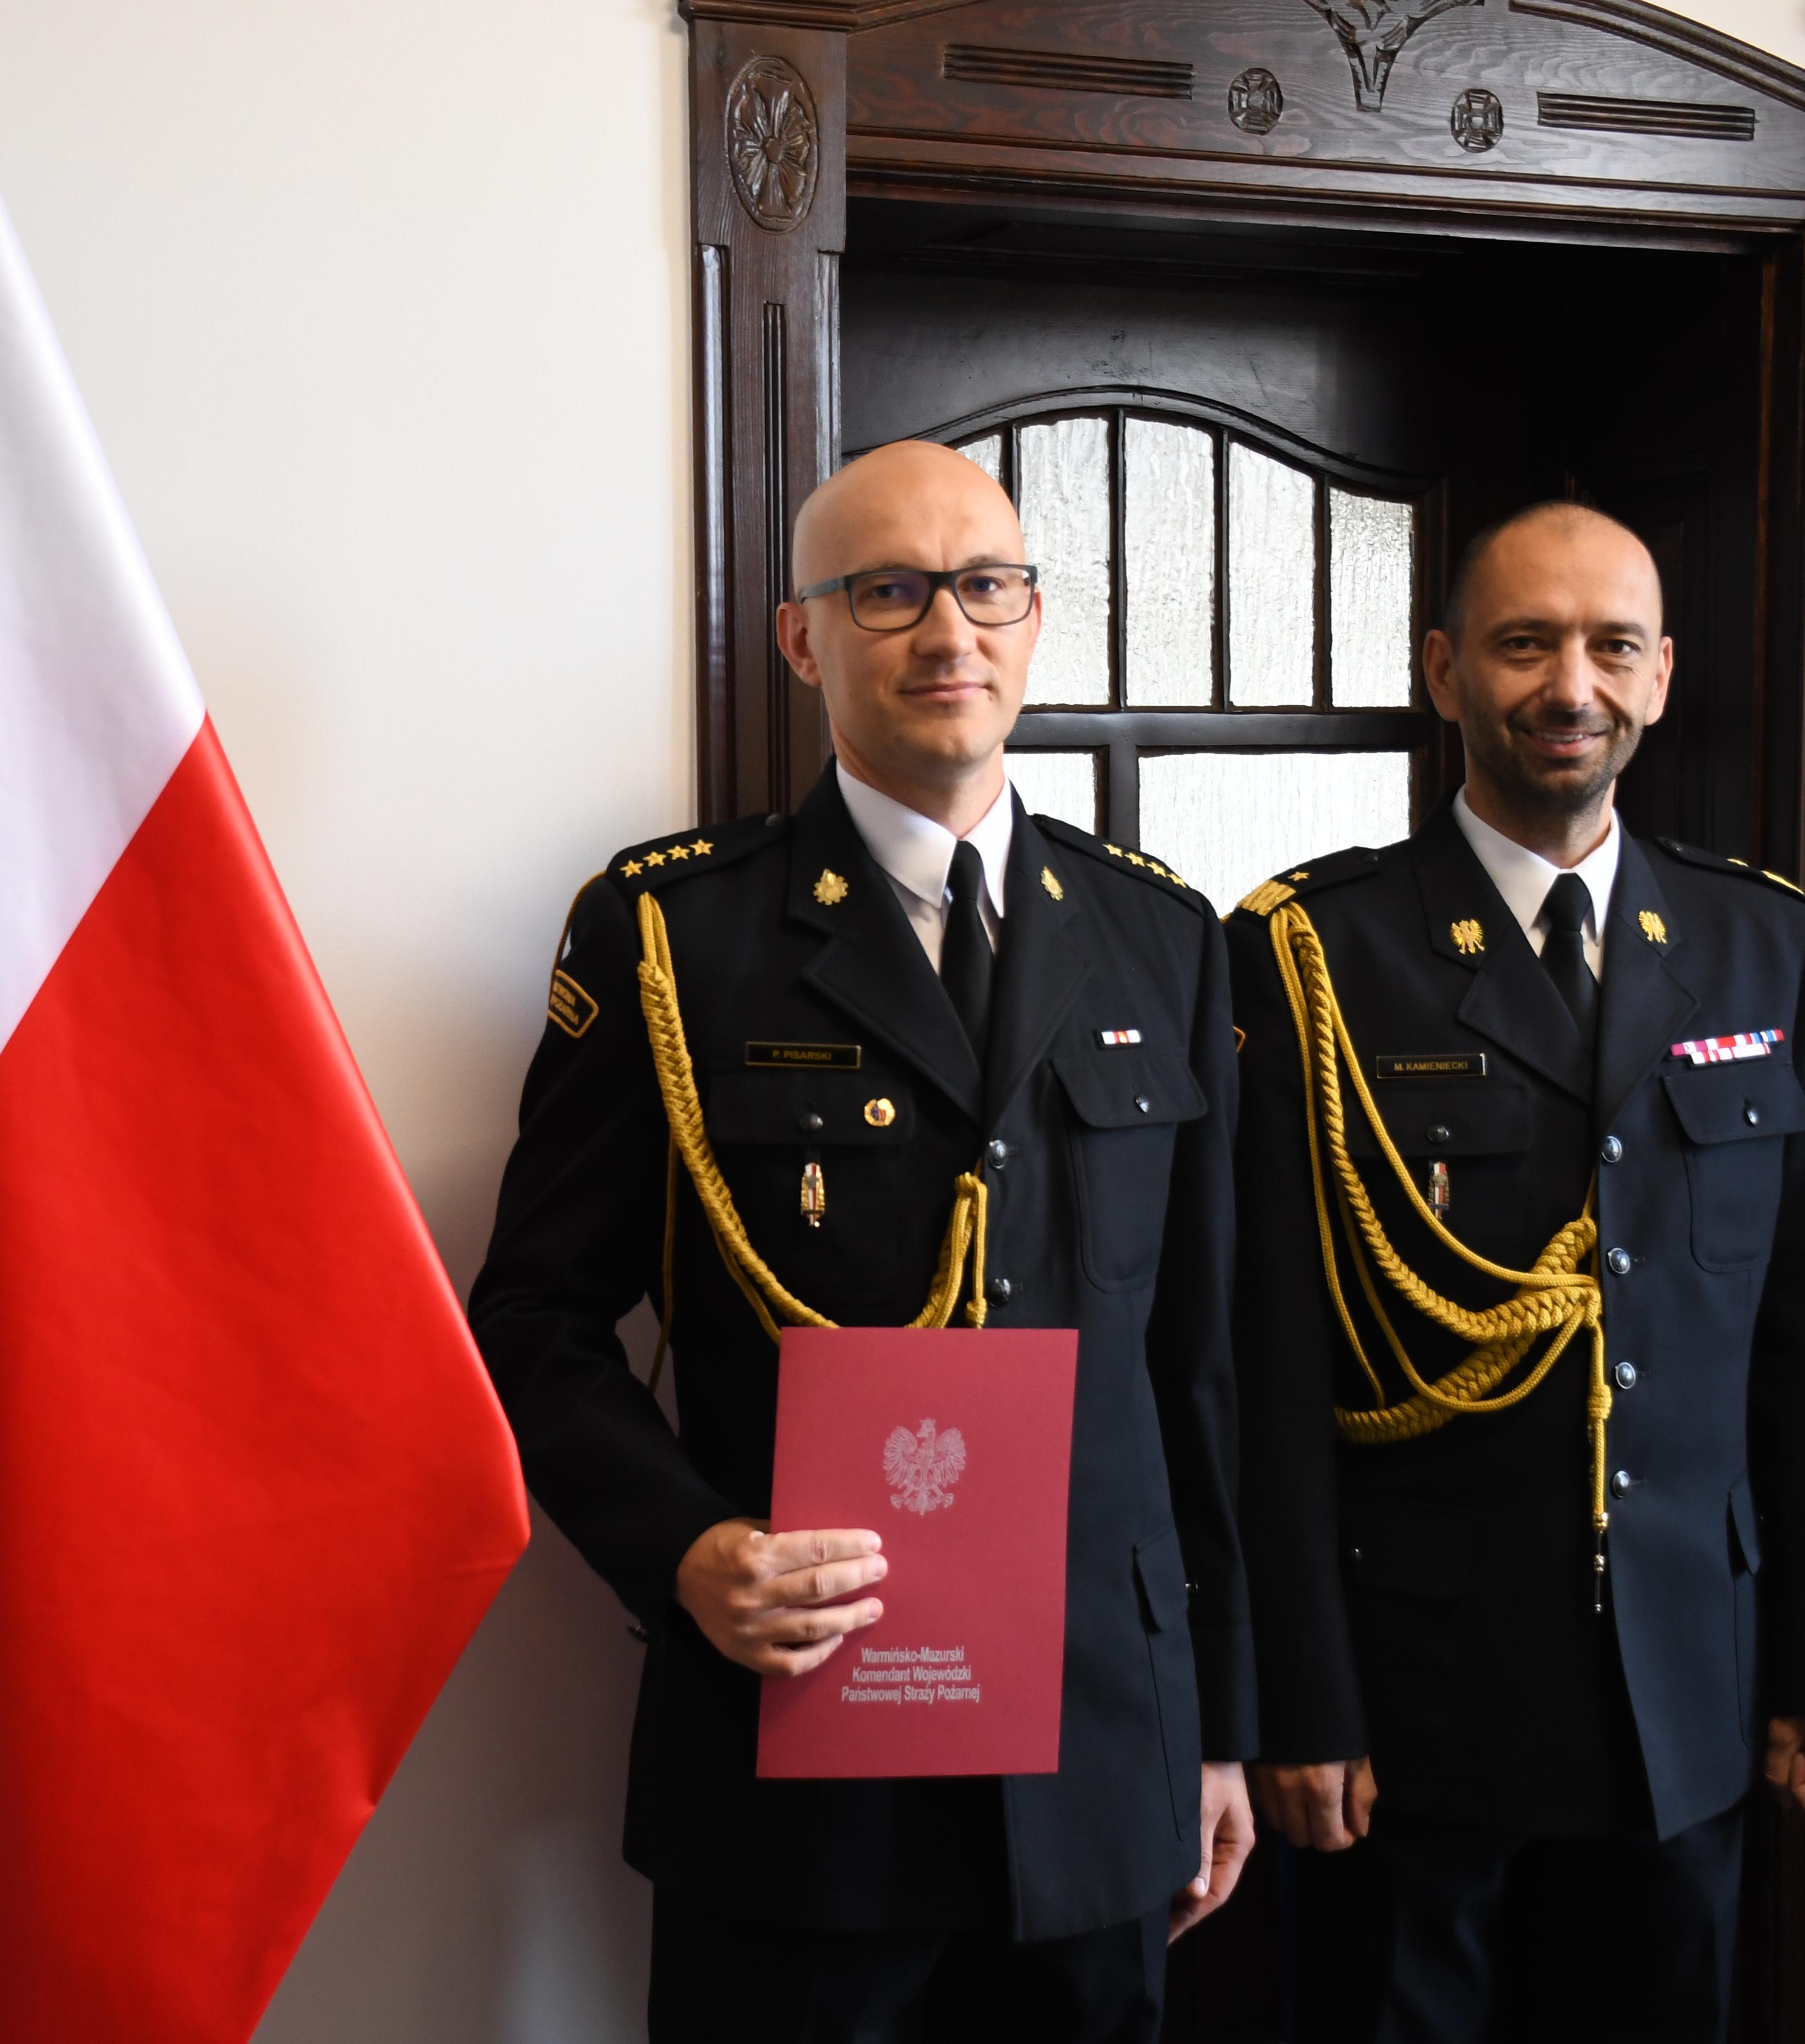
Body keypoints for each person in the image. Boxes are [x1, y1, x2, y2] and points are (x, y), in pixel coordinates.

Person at [466, 441, 1257, 2042]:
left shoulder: (1161, 935)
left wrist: (1222, 1721)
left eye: (987, 586)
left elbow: (1202, 1371)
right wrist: (685, 1549)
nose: (948, 631)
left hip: (1097, 1751)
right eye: (888, 591)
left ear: (1035, 619)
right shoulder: (672, 936)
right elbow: (532, 1321)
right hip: (801, 1775)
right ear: (801, 637)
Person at [1224, 503, 1805, 2041]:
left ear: (1661, 675)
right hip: (1411, 1703)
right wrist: (1299, 1697)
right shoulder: (1314, 953)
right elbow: (1268, 1367)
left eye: (1611, 646)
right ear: (1446, 672)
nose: (1570, 685)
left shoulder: (1759, 943)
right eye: (1526, 643)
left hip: (1690, 1692)